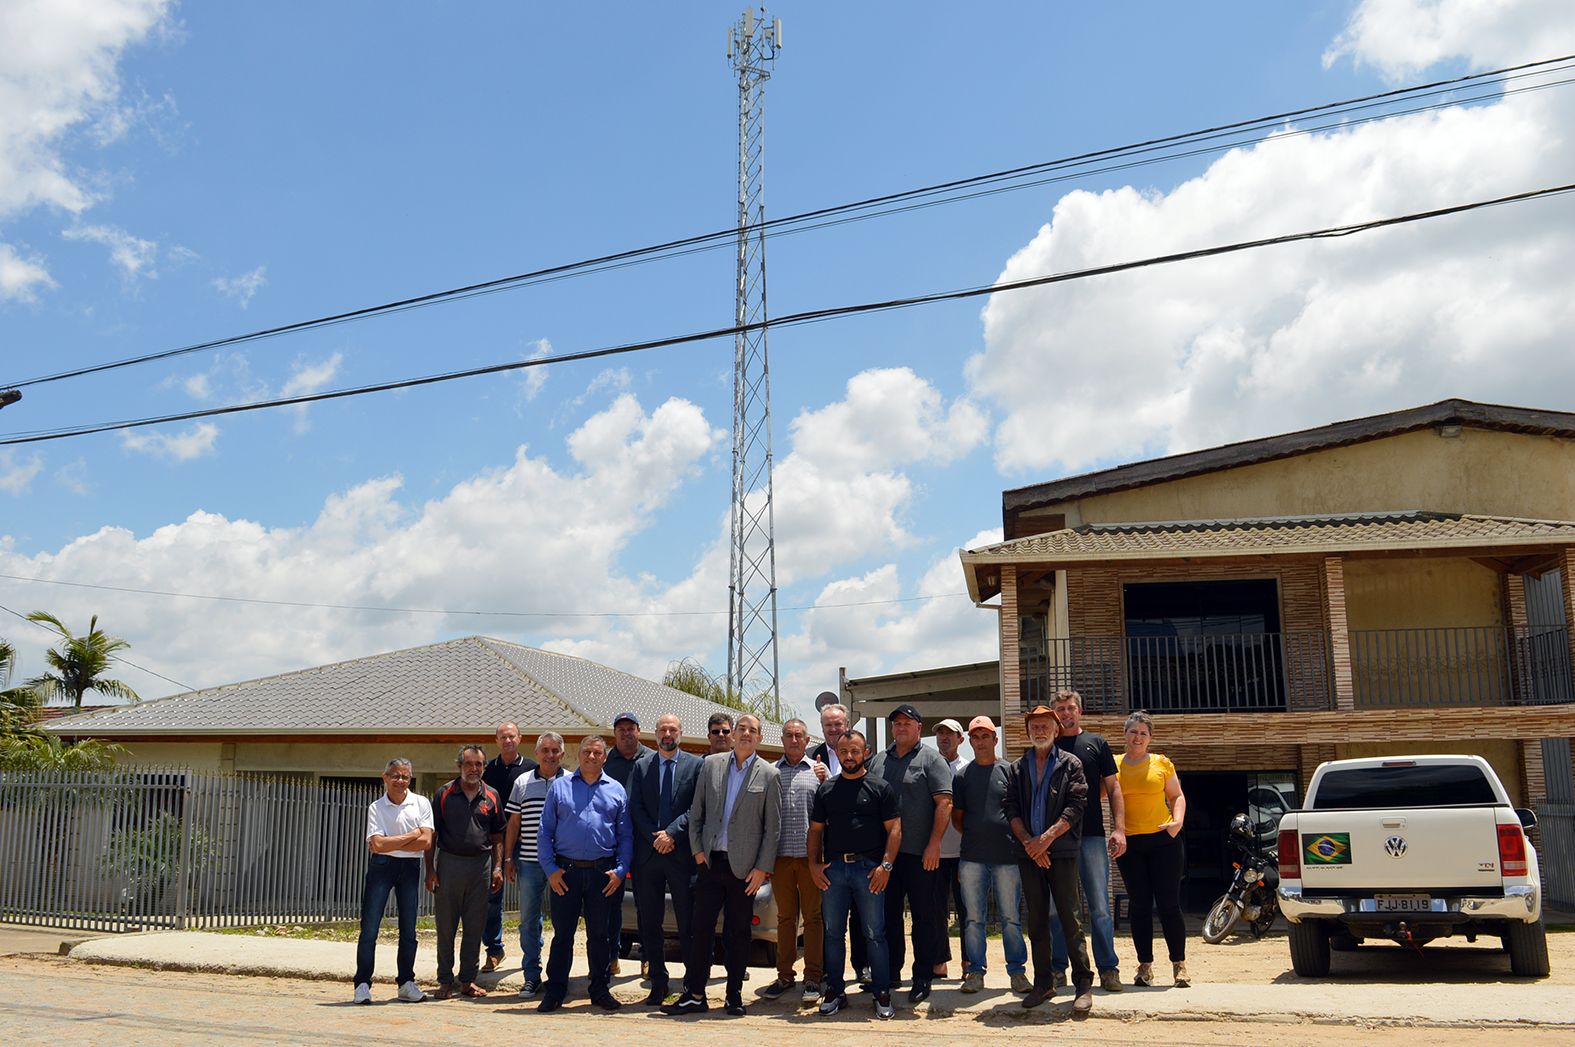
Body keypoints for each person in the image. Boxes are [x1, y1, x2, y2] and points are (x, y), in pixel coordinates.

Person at [661, 714, 780, 1017]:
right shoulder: (711, 766)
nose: (745, 734)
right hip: (710, 864)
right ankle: (695, 994)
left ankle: (733, 996)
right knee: (700, 930)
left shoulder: (768, 774)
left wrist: (762, 869)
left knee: (738, 934)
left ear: (759, 738)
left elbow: (772, 829)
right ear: (733, 735)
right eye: (741, 729)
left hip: (745, 871)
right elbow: (696, 813)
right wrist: (699, 853)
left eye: (752, 731)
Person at [1004, 705, 1094, 1015]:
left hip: (1061, 851)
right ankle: (1044, 983)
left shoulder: (1071, 764)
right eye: (1035, 726)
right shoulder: (1017, 768)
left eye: (1046, 726)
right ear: (1028, 731)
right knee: (1037, 920)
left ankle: (1083, 983)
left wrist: (1046, 840)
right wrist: (1031, 843)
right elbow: (1011, 809)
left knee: (1070, 917)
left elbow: (1077, 804)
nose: (1040, 730)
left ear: (1056, 731)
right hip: (1029, 852)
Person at [537, 735, 634, 1013]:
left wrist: (621, 869)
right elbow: (544, 832)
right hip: (565, 874)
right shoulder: (560, 788)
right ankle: (555, 990)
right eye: (587, 752)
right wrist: (550, 870)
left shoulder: (616, 790)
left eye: (597, 753)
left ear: (605, 757)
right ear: (578, 756)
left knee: (600, 935)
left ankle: (600, 989)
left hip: (603, 875)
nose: (591, 757)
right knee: (563, 935)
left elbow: (625, 836)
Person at [808, 730, 900, 1020]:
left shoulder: (879, 787)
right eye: (844, 751)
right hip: (834, 871)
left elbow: (895, 829)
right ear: (838, 752)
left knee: (875, 934)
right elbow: (815, 831)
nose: (849, 756)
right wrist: (814, 865)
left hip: (869, 870)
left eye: (855, 751)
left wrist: (885, 866)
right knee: (834, 934)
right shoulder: (826, 790)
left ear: (866, 753)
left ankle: (882, 992)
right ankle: (835, 991)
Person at [867, 703, 952, 1004]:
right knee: (888, 917)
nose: (901, 728)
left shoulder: (932, 760)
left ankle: (922, 976)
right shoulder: (878, 761)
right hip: (887, 857)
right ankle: (891, 974)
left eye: (907, 723)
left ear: (919, 728)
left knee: (924, 918)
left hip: (921, 854)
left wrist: (934, 844)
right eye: (896, 723)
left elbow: (944, 803)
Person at [1048, 688, 1127, 993]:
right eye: (1060, 709)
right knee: (1057, 908)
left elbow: (1113, 789)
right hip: (1055, 840)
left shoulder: (1097, 744)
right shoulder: (1048, 745)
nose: (1066, 713)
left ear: (1080, 711)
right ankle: (1057, 970)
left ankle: (1108, 969)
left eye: (1070, 708)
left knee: (1100, 908)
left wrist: (1118, 829)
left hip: (1092, 836)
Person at [951, 717, 1029, 996]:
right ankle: (975, 971)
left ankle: (1017, 972)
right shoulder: (962, 776)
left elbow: (1020, 811)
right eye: (976, 737)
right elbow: (957, 818)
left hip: (1008, 857)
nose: (981, 741)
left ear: (995, 739)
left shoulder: (1011, 771)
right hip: (972, 857)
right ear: (970, 741)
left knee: (1011, 918)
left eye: (986, 736)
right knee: (973, 919)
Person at [628, 713, 702, 1005]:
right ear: (655, 733)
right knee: (650, 923)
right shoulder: (642, 766)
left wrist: (671, 834)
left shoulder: (695, 766)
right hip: (648, 856)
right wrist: (655, 838)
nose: (667, 734)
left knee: (687, 923)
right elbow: (635, 807)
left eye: (672, 729)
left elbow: (697, 807)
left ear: (680, 733)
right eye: (662, 729)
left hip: (681, 854)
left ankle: (690, 983)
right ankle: (658, 981)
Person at [1114, 709, 1189, 989]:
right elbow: (1100, 794)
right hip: (1131, 845)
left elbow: (1177, 796)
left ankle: (1179, 965)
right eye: (1133, 731)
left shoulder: (1162, 763)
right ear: (1125, 734)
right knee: (1140, 905)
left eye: (1143, 733)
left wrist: (1177, 822)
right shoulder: (1115, 764)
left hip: (1164, 842)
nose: (1137, 737)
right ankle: (1144, 966)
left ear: (1150, 738)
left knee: (1169, 904)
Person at [425, 744, 506, 999]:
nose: (474, 769)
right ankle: (445, 981)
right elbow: (432, 834)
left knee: (474, 926)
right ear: (459, 766)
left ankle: (468, 980)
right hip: (449, 864)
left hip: (480, 867)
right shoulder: (444, 794)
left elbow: (497, 835)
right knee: (446, 927)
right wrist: (430, 869)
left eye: (479, 764)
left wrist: (497, 867)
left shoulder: (492, 795)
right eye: (469, 764)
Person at [353, 757, 434, 1005]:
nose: (401, 781)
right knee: (370, 927)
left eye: (405, 777)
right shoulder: (376, 807)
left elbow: (426, 842)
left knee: (408, 928)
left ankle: (406, 982)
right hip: (381, 868)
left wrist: (392, 842)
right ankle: (363, 983)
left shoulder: (421, 803)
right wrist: (411, 835)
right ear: (385, 777)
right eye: (396, 776)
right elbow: (376, 845)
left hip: (410, 867)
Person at [759, 717, 824, 1005]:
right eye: (789, 735)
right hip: (781, 858)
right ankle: (785, 975)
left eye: (799, 735)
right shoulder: (770, 772)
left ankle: (813, 976)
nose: (794, 740)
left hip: (812, 859)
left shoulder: (820, 773)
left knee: (812, 918)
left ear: (807, 740)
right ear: (782, 739)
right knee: (785, 919)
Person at [502, 732, 566, 998]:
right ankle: (531, 976)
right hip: (528, 862)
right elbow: (514, 824)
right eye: (545, 750)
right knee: (528, 922)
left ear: (562, 754)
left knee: (564, 924)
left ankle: (559, 977)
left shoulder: (572, 780)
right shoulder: (522, 782)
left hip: (563, 865)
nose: (550, 755)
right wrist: (507, 858)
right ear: (537, 753)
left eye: (555, 751)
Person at [810, 702, 866, 982]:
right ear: (822, 728)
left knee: (859, 913)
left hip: (857, 845)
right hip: (825, 848)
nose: (833, 729)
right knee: (830, 918)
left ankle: (862, 966)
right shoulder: (811, 757)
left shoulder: (862, 754)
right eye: (828, 725)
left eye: (838, 724)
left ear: (847, 725)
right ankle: (830, 975)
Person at [482, 722, 538, 973]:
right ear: (496, 740)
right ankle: (494, 950)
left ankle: (534, 953)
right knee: (492, 897)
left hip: (524, 841)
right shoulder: (488, 770)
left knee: (530, 900)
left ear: (520, 738)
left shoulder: (531, 769)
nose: (507, 740)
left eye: (511, 736)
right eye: (503, 736)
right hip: (494, 841)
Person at [603, 712, 654, 977]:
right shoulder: (605, 760)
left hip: (644, 842)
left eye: (630, 728)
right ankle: (612, 957)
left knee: (644, 903)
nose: (626, 733)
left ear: (638, 730)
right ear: (615, 734)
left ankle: (647, 957)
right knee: (612, 902)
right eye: (621, 729)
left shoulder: (652, 758)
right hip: (612, 843)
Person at [932, 717, 968, 978]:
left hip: (964, 852)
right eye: (940, 733)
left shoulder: (968, 769)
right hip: (935, 852)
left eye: (950, 734)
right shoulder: (929, 766)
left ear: (960, 739)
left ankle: (969, 964)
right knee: (935, 910)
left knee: (968, 911)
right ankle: (939, 962)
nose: (944, 738)